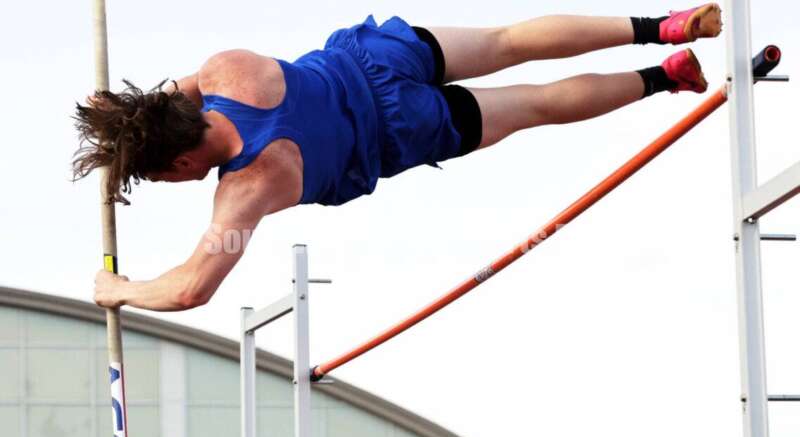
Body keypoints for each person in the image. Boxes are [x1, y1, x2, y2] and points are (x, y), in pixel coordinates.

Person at [75, 5, 722, 311]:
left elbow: (192, 288)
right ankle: (661, 25)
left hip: (404, 130)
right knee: (509, 40)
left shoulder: (248, 190)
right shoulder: (224, 70)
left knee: (535, 105)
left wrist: (120, 291)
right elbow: (164, 100)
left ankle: (667, 75)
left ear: (185, 165)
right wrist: (118, 115)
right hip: (380, 60)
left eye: (163, 176)